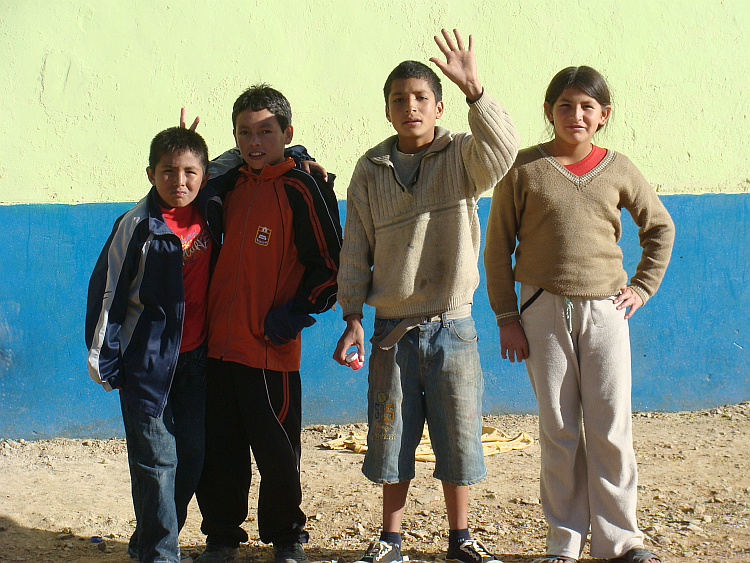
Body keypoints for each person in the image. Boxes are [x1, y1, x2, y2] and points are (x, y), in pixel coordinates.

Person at [333, 29, 519, 563]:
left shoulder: (462, 155)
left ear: (438, 106)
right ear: (388, 111)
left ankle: (461, 538)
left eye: (421, 98)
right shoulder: (370, 170)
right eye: (399, 99)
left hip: (452, 325)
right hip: (392, 329)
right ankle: (391, 540)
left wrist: (476, 91)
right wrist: (352, 316)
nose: (410, 107)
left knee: (458, 438)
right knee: (390, 438)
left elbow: (503, 153)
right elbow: (356, 248)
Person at [483, 66, 674, 563]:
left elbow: (659, 228)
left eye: (587, 106)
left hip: (607, 309)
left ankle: (620, 540)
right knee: (559, 428)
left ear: (603, 115)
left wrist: (642, 287)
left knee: (611, 425)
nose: (576, 114)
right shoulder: (523, 169)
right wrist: (507, 316)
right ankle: (564, 542)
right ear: (549, 111)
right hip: (541, 311)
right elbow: (497, 246)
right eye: (565, 105)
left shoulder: (619, 168)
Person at [193, 84, 342, 563]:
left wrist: (296, 314)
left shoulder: (304, 187)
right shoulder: (228, 186)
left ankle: (287, 536)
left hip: (268, 350)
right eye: (244, 133)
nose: (255, 142)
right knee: (220, 452)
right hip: (217, 346)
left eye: (266, 131)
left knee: (278, 452)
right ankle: (221, 536)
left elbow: (331, 265)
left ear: (287, 133)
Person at [86, 127, 213, 563]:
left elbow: (244, 156)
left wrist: (297, 156)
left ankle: (148, 542)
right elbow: (108, 291)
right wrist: (105, 358)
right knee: (157, 464)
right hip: (146, 364)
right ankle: (161, 555)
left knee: (191, 457)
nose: (179, 182)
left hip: (195, 360)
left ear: (204, 174)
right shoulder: (137, 225)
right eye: (167, 172)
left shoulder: (212, 211)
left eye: (189, 172)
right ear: (150, 174)